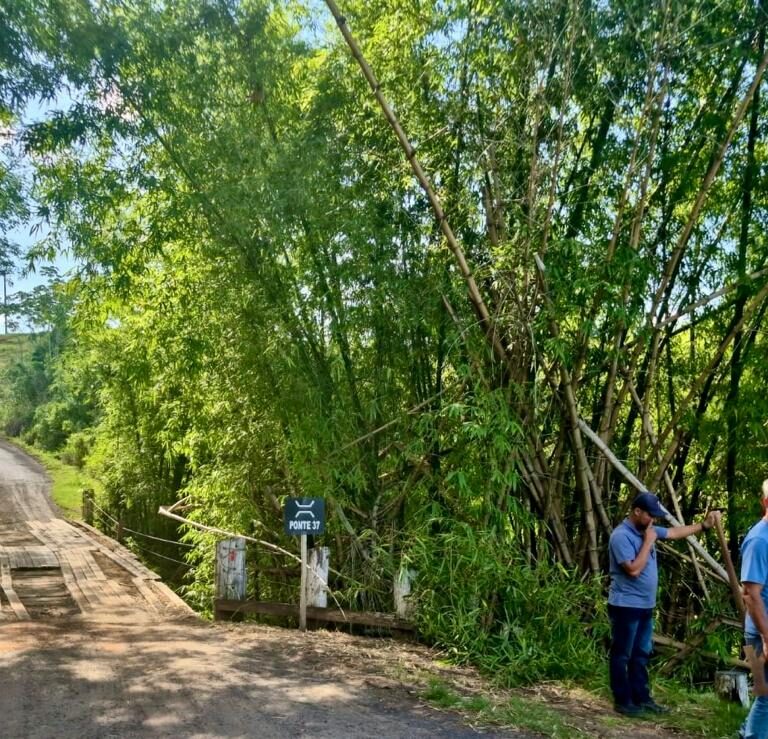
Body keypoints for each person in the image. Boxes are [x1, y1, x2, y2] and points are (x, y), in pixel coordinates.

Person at [607, 491, 719, 716]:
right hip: (626, 605)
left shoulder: (646, 529)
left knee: (641, 653)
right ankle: (623, 701)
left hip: (645, 606)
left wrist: (703, 525)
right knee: (622, 654)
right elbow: (634, 570)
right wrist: (649, 542)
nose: (654, 521)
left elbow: (674, 532)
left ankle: (642, 698)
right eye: (651, 515)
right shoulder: (621, 536)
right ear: (637, 512)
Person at [740, 480, 768, 739]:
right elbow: (750, 595)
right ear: (766, 503)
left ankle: (746, 731)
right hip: (759, 634)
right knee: (766, 697)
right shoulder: (759, 540)